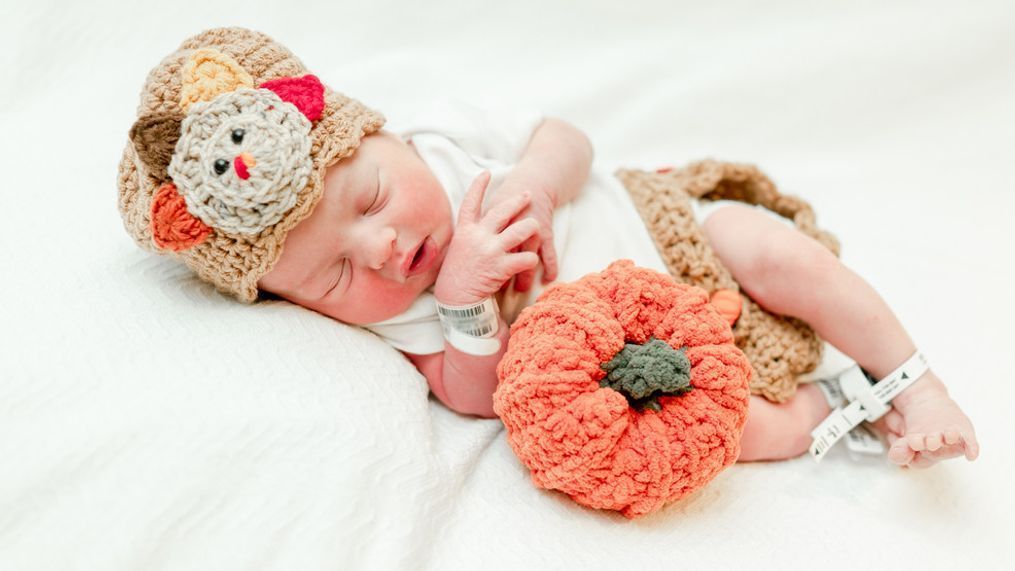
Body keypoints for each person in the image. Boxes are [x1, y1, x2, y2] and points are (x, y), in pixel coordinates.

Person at [118, 27, 978, 470]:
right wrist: (462, 302)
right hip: (646, 348)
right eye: (335, 273)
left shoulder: (443, 137)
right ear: (299, 303)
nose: (380, 249)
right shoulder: (403, 317)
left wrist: (537, 175)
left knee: (776, 252)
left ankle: (914, 377)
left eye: (372, 197)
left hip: (664, 226)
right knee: (725, 428)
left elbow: (568, 137)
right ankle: (825, 418)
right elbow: (472, 398)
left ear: (381, 136)